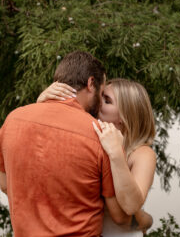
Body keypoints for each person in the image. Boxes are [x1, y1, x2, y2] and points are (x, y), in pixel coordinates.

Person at [0, 51, 133, 237]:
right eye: (101, 93)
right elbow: (120, 216)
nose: (101, 104)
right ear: (90, 83)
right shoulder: (101, 135)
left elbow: (5, 184)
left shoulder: (12, 120)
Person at [37, 78, 157, 236]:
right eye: (101, 96)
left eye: (107, 100)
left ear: (125, 115)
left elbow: (130, 206)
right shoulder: (89, 135)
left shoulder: (142, 154)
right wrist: (43, 104)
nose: (98, 102)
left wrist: (116, 154)